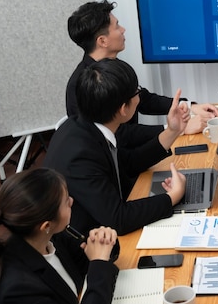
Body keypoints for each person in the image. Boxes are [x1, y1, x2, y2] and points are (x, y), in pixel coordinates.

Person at [44, 57, 188, 236]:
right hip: (89, 243)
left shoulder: (83, 125)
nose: (139, 96)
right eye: (137, 92)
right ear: (123, 109)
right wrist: (173, 196)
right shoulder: (80, 155)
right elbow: (119, 219)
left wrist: (172, 131)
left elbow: (128, 163)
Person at [66, 0, 218, 134]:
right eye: (117, 26)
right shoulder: (82, 87)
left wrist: (189, 106)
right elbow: (120, 135)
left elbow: (143, 99)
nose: (123, 30)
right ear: (102, 41)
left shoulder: (115, 66)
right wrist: (176, 129)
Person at [0, 168, 119, 304]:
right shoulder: (18, 291)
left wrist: (104, 242)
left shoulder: (50, 237)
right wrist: (99, 262)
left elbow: (87, 262)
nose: (72, 201)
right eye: (66, 201)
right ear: (46, 225)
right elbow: (97, 267)